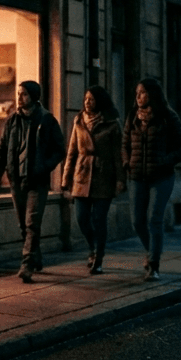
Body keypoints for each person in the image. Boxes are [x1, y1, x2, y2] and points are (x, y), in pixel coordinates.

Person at [0, 80, 65, 283]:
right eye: (18, 94)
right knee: (23, 225)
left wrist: (44, 167)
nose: (20, 98)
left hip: (37, 181)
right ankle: (36, 256)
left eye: (23, 94)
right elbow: (2, 148)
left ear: (33, 96)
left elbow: (59, 149)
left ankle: (27, 265)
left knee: (32, 223)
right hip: (16, 179)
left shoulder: (46, 119)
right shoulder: (12, 120)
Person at [122, 77, 181, 281]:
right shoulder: (133, 116)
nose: (138, 97)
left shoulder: (168, 116)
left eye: (142, 92)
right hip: (136, 177)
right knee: (137, 221)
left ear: (152, 94)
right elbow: (124, 144)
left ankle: (153, 265)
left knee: (154, 219)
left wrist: (165, 161)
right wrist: (127, 162)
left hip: (161, 177)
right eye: (137, 93)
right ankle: (151, 252)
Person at [61, 85, 125, 275]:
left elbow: (118, 154)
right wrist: (66, 179)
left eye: (92, 99)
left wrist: (120, 180)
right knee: (81, 218)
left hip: (103, 176)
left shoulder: (112, 123)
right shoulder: (79, 121)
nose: (87, 102)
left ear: (100, 101)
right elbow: (72, 151)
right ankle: (92, 247)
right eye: (86, 99)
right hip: (82, 174)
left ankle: (99, 257)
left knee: (99, 219)